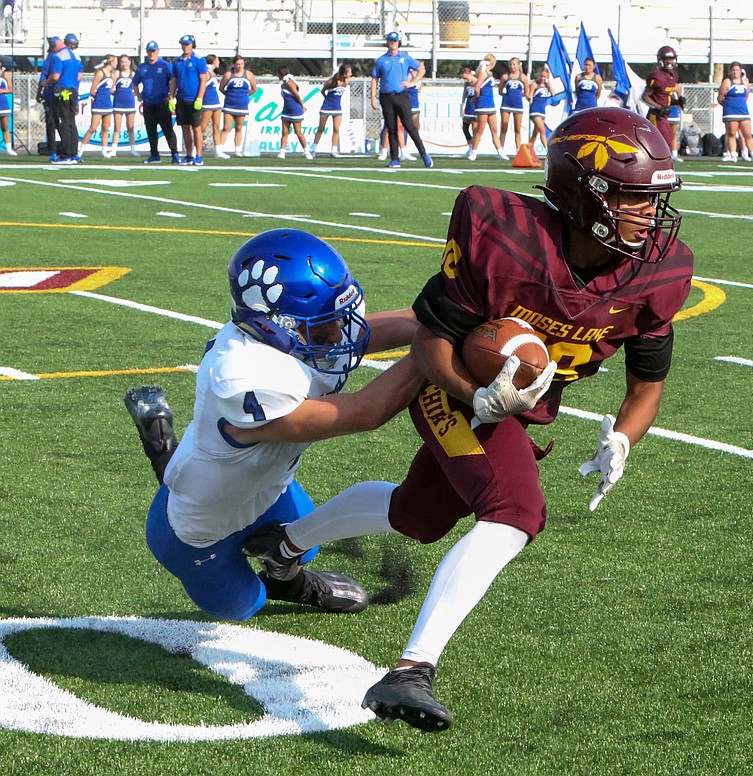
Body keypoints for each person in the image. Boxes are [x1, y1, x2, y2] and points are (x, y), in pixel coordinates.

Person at [242, 106, 693, 733]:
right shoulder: (506, 235)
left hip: (513, 403)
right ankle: (410, 668)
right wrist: (470, 394)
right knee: (515, 511)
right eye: (633, 197)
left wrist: (623, 435)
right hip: (449, 383)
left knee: (417, 516)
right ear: (582, 192)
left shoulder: (657, 271)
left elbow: (647, 383)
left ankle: (282, 544)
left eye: (654, 199)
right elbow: (430, 341)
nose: (649, 214)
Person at [124, 228, 425, 621]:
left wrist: (444, 316)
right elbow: (365, 412)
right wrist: (434, 351)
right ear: (275, 324)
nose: (338, 335)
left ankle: (288, 576)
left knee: (304, 544)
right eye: (323, 326)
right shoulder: (244, 374)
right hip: (194, 531)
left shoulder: (290, 335)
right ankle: (161, 446)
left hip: (267, 485)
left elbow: (381, 329)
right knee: (242, 606)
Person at [370, 31, 431, 169]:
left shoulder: (404, 57)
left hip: (401, 95)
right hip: (386, 96)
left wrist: (413, 82)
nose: (393, 43)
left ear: (398, 42)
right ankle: (395, 159)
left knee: (409, 126)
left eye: (395, 41)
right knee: (391, 127)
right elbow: (374, 79)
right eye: (391, 41)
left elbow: (421, 69)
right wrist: (372, 97)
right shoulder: (381, 60)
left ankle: (424, 154)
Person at [132, 40, 179, 164]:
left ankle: (174, 154)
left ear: (158, 51)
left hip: (162, 102)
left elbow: (175, 80)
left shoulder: (165, 66)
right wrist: (139, 95)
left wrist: (171, 95)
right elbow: (135, 83)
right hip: (148, 103)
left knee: (167, 129)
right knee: (151, 130)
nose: (151, 53)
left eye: (153, 51)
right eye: (149, 51)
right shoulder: (142, 67)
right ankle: (154, 154)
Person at [45, 32, 84, 163]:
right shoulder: (77, 57)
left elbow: (55, 76)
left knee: (64, 123)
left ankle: (66, 154)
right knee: (72, 123)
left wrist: (46, 82)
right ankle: (73, 153)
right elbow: (79, 77)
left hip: (63, 91)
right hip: (73, 91)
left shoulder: (59, 57)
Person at [172, 34, 208, 165]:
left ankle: (199, 155)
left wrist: (199, 98)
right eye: (183, 44)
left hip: (193, 99)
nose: (185, 47)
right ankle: (189, 154)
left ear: (192, 45)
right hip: (181, 98)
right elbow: (174, 81)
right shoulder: (177, 62)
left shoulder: (199, 60)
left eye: (187, 44)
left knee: (196, 127)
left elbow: (203, 80)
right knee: (185, 128)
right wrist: (171, 97)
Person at [718, 61, 753, 163]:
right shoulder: (727, 82)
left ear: (740, 71)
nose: (735, 72)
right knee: (731, 134)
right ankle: (733, 155)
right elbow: (720, 97)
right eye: (733, 70)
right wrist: (728, 106)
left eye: (737, 70)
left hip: (743, 112)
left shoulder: (745, 81)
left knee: (748, 134)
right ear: (730, 71)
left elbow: (746, 95)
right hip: (730, 112)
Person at [642, 45, 683, 156]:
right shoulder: (656, 76)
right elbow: (645, 96)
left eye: (671, 59)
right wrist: (659, 107)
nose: (669, 62)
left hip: (664, 115)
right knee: (661, 143)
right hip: (656, 115)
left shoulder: (672, 75)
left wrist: (677, 101)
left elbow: (665, 96)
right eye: (666, 59)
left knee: (668, 141)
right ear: (660, 60)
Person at [468, 54, 507, 161]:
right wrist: (476, 99)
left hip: (491, 104)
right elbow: (477, 89)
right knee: (480, 129)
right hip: (482, 104)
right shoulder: (483, 73)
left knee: (494, 129)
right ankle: (474, 152)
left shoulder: (489, 73)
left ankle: (500, 152)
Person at [79, 55, 116, 158]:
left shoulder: (113, 75)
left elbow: (111, 90)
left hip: (108, 105)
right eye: (115, 61)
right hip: (99, 105)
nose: (116, 64)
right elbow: (92, 90)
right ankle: (81, 150)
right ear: (111, 62)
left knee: (105, 128)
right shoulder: (100, 73)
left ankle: (104, 151)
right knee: (93, 128)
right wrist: (100, 98)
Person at [311, 63, 351, 159]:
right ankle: (313, 150)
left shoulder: (347, 81)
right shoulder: (331, 82)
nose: (351, 74)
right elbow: (322, 91)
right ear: (344, 73)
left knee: (336, 129)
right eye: (349, 72)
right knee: (321, 128)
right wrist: (327, 99)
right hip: (326, 107)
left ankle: (333, 150)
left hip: (337, 108)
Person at [220, 55, 256, 157]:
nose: (240, 66)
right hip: (229, 105)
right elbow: (221, 88)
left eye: (242, 64)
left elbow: (254, 89)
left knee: (238, 128)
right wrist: (231, 95)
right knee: (226, 127)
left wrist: (244, 95)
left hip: (242, 106)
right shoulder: (228, 74)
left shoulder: (248, 74)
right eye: (238, 64)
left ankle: (237, 149)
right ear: (234, 64)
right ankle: (219, 148)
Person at [275, 65, 311, 160]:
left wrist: (302, 106)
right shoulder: (284, 83)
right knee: (285, 132)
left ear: (280, 74)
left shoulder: (289, 83)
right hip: (286, 110)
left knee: (298, 132)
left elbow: (297, 95)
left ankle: (307, 152)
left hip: (295, 110)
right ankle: (282, 152)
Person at [199, 54, 228, 159]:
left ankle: (218, 150)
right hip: (207, 103)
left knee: (216, 127)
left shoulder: (213, 72)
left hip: (216, 103)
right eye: (217, 60)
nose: (218, 62)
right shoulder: (206, 72)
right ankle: (196, 149)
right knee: (202, 127)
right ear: (214, 61)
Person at [498, 56, 528, 153]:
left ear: (518, 65)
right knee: (504, 127)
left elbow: (526, 92)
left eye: (514, 64)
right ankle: (501, 150)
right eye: (510, 64)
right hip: (506, 104)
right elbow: (500, 91)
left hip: (518, 105)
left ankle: (518, 150)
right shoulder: (505, 76)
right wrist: (507, 96)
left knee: (517, 129)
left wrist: (518, 96)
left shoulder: (523, 77)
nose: (512, 66)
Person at [111, 54, 139, 157]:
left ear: (130, 62)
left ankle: (133, 149)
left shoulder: (133, 74)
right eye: (122, 62)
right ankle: (114, 149)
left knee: (130, 127)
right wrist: (117, 93)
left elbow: (137, 87)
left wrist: (136, 93)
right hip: (118, 103)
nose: (124, 64)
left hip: (130, 103)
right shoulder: (117, 73)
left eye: (126, 62)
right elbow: (111, 87)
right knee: (117, 127)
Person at [525, 64, 550, 154]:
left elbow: (554, 93)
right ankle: (548, 150)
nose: (543, 78)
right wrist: (527, 96)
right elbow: (530, 95)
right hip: (535, 110)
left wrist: (549, 83)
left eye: (545, 77)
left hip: (542, 111)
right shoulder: (536, 84)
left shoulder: (547, 86)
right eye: (542, 76)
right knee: (542, 130)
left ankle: (528, 149)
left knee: (536, 132)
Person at [397, 80, 422, 161]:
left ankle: (418, 150)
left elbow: (419, 87)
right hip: (404, 103)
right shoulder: (404, 72)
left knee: (414, 127)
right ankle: (402, 151)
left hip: (415, 104)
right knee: (400, 127)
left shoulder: (418, 74)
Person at [459, 63, 477, 156]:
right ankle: (470, 146)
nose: (465, 80)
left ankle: (474, 148)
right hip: (468, 107)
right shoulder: (467, 84)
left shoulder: (477, 82)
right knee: (465, 127)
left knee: (475, 129)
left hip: (475, 107)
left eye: (466, 77)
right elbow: (464, 96)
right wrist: (462, 107)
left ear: (470, 74)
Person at [0, 63, 17, 156]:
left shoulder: (5, 74)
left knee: (5, 127)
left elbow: (10, 89)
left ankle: (8, 148)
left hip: (3, 104)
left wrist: (2, 90)